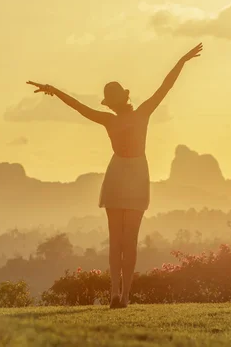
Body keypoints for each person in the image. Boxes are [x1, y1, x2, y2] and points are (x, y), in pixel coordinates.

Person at [26, 42, 203, 308]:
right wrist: (53, 90)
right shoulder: (115, 118)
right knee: (118, 241)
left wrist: (182, 60)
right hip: (119, 175)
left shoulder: (141, 112)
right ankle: (115, 294)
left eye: (112, 99)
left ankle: (125, 295)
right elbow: (77, 106)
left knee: (127, 241)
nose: (111, 105)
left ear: (121, 99)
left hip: (134, 176)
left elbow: (166, 86)